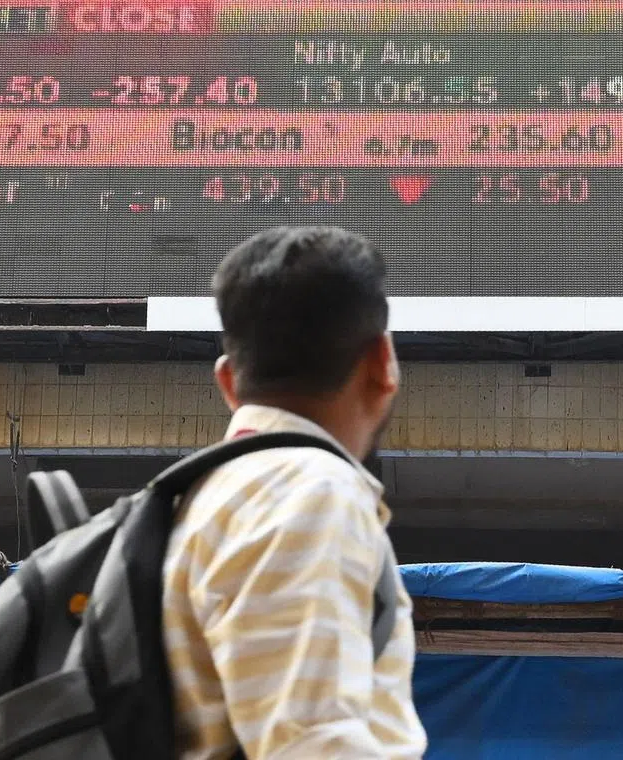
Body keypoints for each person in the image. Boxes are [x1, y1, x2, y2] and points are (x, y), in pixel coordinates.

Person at [162, 226, 428, 759]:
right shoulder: (311, 493)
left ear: (228, 383)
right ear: (383, 363)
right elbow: (313, 744)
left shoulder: (194, 502)